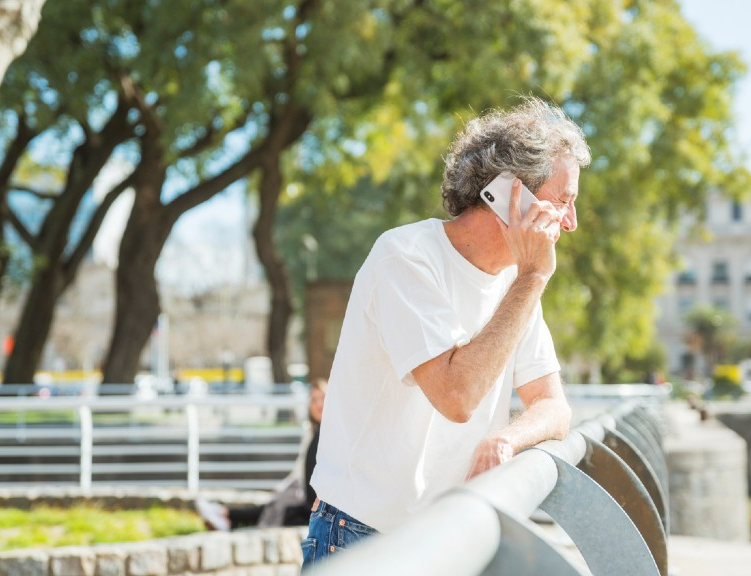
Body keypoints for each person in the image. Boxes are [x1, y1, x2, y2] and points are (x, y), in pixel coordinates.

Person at [302, 98, 589, 568]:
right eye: (564, 201)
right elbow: (458, 396)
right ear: (511, 195)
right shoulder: (405, 257)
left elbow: (555, 407)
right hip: (363, 538)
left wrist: (507, 440)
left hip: (451, 535)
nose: (572, 222)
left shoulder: (514, 285)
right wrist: (534, 278)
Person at [196, 379, 326, 531]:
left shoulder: (326, 435)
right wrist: (284, 487)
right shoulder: (311, 433)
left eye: (322, 398)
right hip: (302, 492)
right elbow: (300, 469)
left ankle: (226, 516)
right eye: (314, 399)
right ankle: (226, 516)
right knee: (276, 505)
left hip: (315, 501)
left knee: (279, 509)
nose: (318, 405)